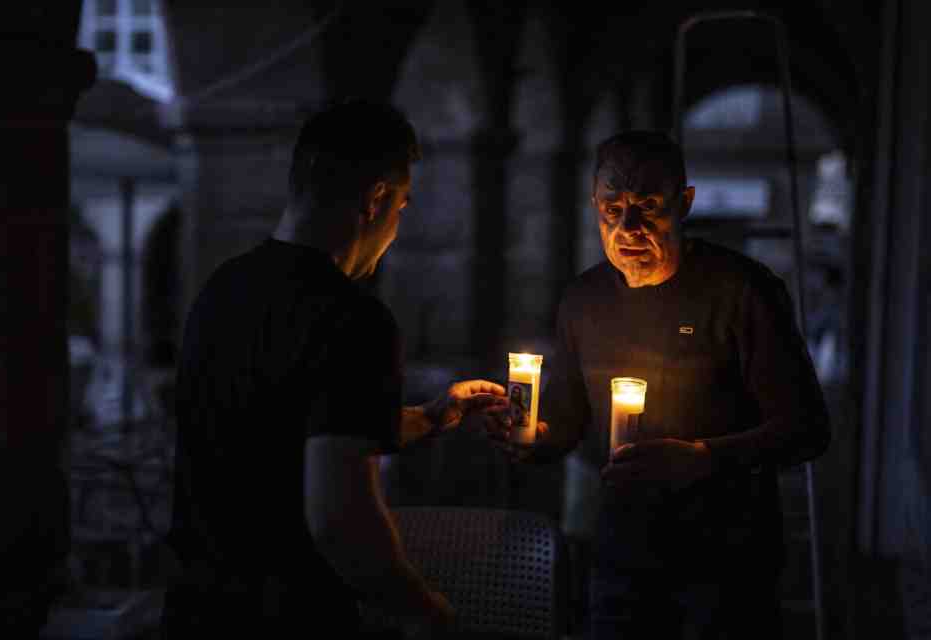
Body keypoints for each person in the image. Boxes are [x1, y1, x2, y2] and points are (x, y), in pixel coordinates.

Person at [161, 100, 507, 638]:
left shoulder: (222, 289)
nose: (396, 226)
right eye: (402, 206)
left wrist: (435, 416)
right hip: (291, 616)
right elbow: (340, 521)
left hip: (195, 610)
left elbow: (293, 428)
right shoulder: (354, 318)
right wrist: (428, 609)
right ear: (375, 200)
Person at [491, 130, 830, 639]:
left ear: (685, 202)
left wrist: (703, 457)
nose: (627, 226)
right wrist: (525, 434)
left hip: (727, 562)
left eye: (647, 206)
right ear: (594, 203)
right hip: (620, 554)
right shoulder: (584, 300)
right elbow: (565, 421)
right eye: (612, 206)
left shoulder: (742, 291)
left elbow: (807, 427)